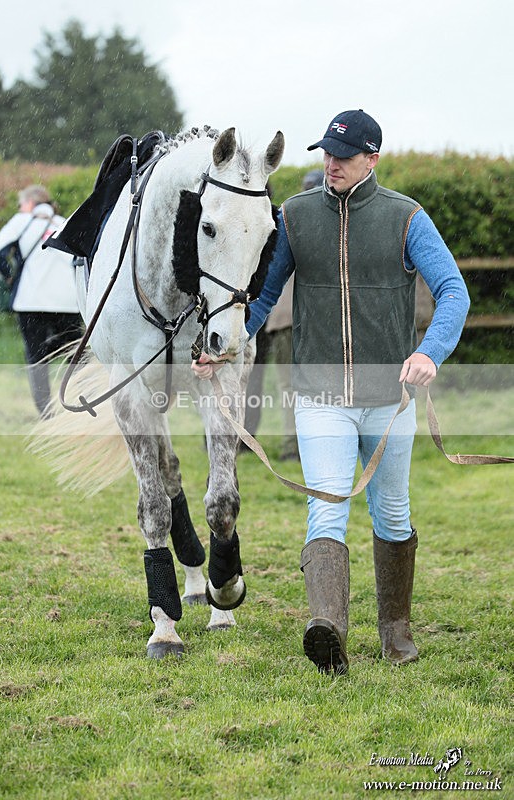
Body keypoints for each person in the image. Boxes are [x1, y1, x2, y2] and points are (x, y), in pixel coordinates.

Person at [193, 110, 470, 675]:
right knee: (326, 509)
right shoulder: (294, 217)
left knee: (392, 514)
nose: (332, 164)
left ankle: (396, 632)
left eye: (343, 156)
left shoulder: (407, 217)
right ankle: (329, 631)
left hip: (389, 399)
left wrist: (428, 353)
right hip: (320, 398)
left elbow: (453, 291)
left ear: (372, 158)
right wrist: (225, 345)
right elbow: (263, 299)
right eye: (326, 154)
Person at [0, 185, 82, 417]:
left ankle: (46, 411)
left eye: (21, 204)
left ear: (30, 203)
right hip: (68, 301)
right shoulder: (66, 221)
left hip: (30, 300)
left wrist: (7, 275)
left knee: (35, 355)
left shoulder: (22, 221)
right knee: (74, 352)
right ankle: (81, 403)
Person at [264, 169, 325, 461]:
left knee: (289, 385)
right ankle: (314, 443)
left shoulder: (285, 219)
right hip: (313, 317)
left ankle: (292, 446)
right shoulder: (330, 222)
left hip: (281, 316)